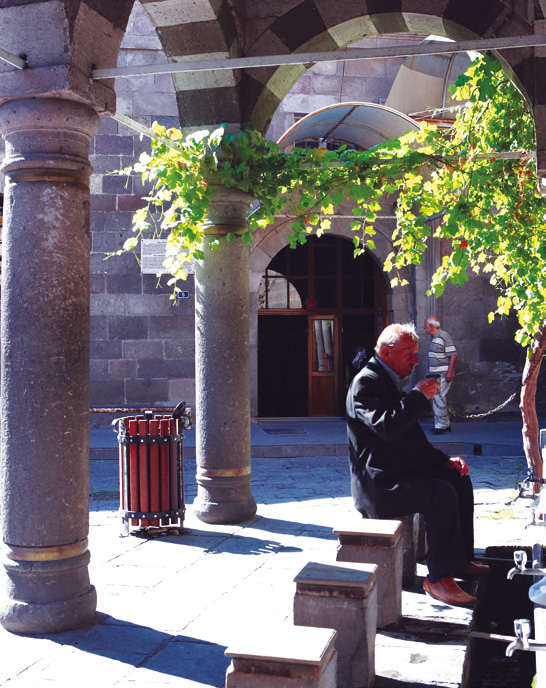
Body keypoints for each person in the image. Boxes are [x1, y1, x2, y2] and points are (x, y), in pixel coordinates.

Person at [346, 323, 489, 607]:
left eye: (416, 353)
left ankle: (459, 560)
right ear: (387, 353)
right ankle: (438, 578)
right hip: (380, 484)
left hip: (398, 470)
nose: (415, 360)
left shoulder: (386, 379)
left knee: (457, 478)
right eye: (409, 354)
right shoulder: (366, 382)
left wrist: (444, 461)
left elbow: (411, 439)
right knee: (440, 493)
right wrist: (418, 396)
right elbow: (387, 427)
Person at [424, 316, 457, 435]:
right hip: (436, 374)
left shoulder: (444, 336)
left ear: (431, 326)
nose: (424, 328)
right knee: (440, 398)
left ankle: (441, 426)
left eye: (426, 325)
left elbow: (453, 354)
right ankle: (445, 424)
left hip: (442, 373)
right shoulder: (434, 338)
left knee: (438, 398)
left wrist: (450, 372)